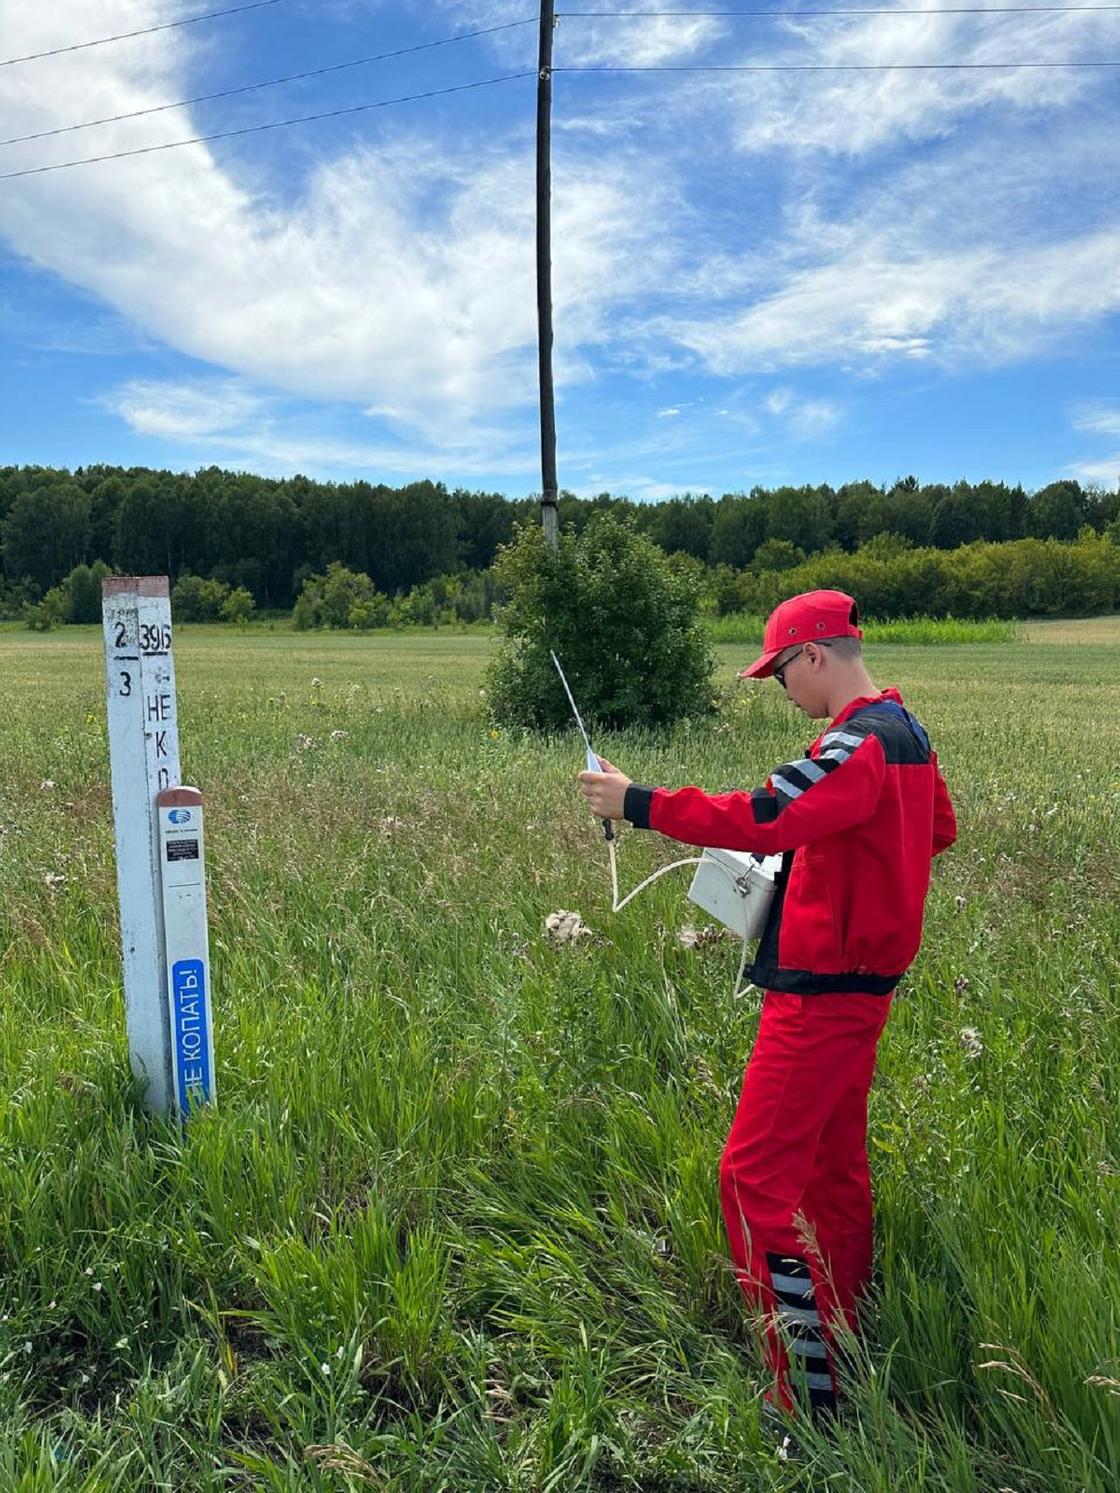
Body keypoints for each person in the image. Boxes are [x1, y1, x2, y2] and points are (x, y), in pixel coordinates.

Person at [578, 588, 956, 1432]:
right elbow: (938, 829)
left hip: (819, 998)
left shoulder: (853, 742)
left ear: (814, 655)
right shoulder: (913, 736)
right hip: (866, 991)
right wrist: (853, 868)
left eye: (779, 673)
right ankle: (847, 1325)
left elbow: (763, 813)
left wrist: (637, 802)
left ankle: (810, 1394)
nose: (782, 690)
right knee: (833, 1170)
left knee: (751, 1182)